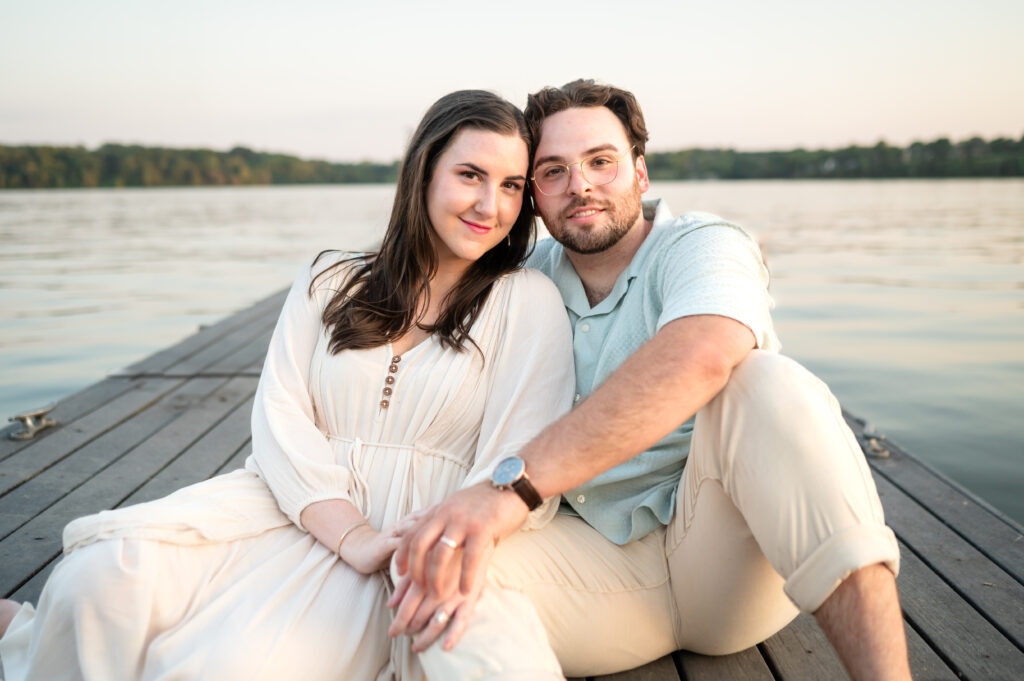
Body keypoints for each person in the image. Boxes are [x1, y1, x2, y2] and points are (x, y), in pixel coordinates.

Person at [0, 90, 575, 681]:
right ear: (423, 173)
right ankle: (34, 636)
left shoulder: (526, 302)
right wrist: (349, 533)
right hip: (289, 506)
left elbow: (516, 460)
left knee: (224, 667)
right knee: (95, 579)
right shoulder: (331, 279)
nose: (489, 205)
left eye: (511, 185)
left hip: (402, 538)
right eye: (470, 175)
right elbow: (281, 418)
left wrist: (400, 545)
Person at [391, 80, 913, 681]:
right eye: (554, 171)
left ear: (640, 172)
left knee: (765, 382)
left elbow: (703, 353)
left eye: (600, 162)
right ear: (533, 195)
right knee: (439, 575)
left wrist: (512, 487)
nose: (580, 185)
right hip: (589, 575)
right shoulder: (522, 282)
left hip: (722, 559)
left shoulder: (701, 244)